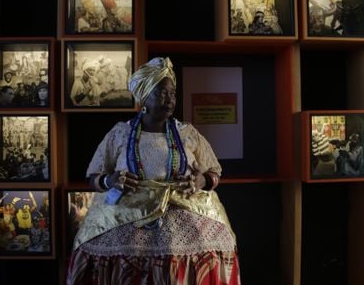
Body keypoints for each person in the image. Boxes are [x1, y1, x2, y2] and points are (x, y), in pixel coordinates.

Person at [66, 57, 241, 285]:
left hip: (182, 205)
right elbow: (94, 177)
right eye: (161, 93)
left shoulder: (188, 133)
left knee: (216, 243)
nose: (169, 99)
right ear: (144, 96)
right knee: (92, 245)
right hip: (127, 211)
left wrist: (200, 181)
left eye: (172, 94)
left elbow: (214, 173)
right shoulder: (120, 134)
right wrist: (110, 180)